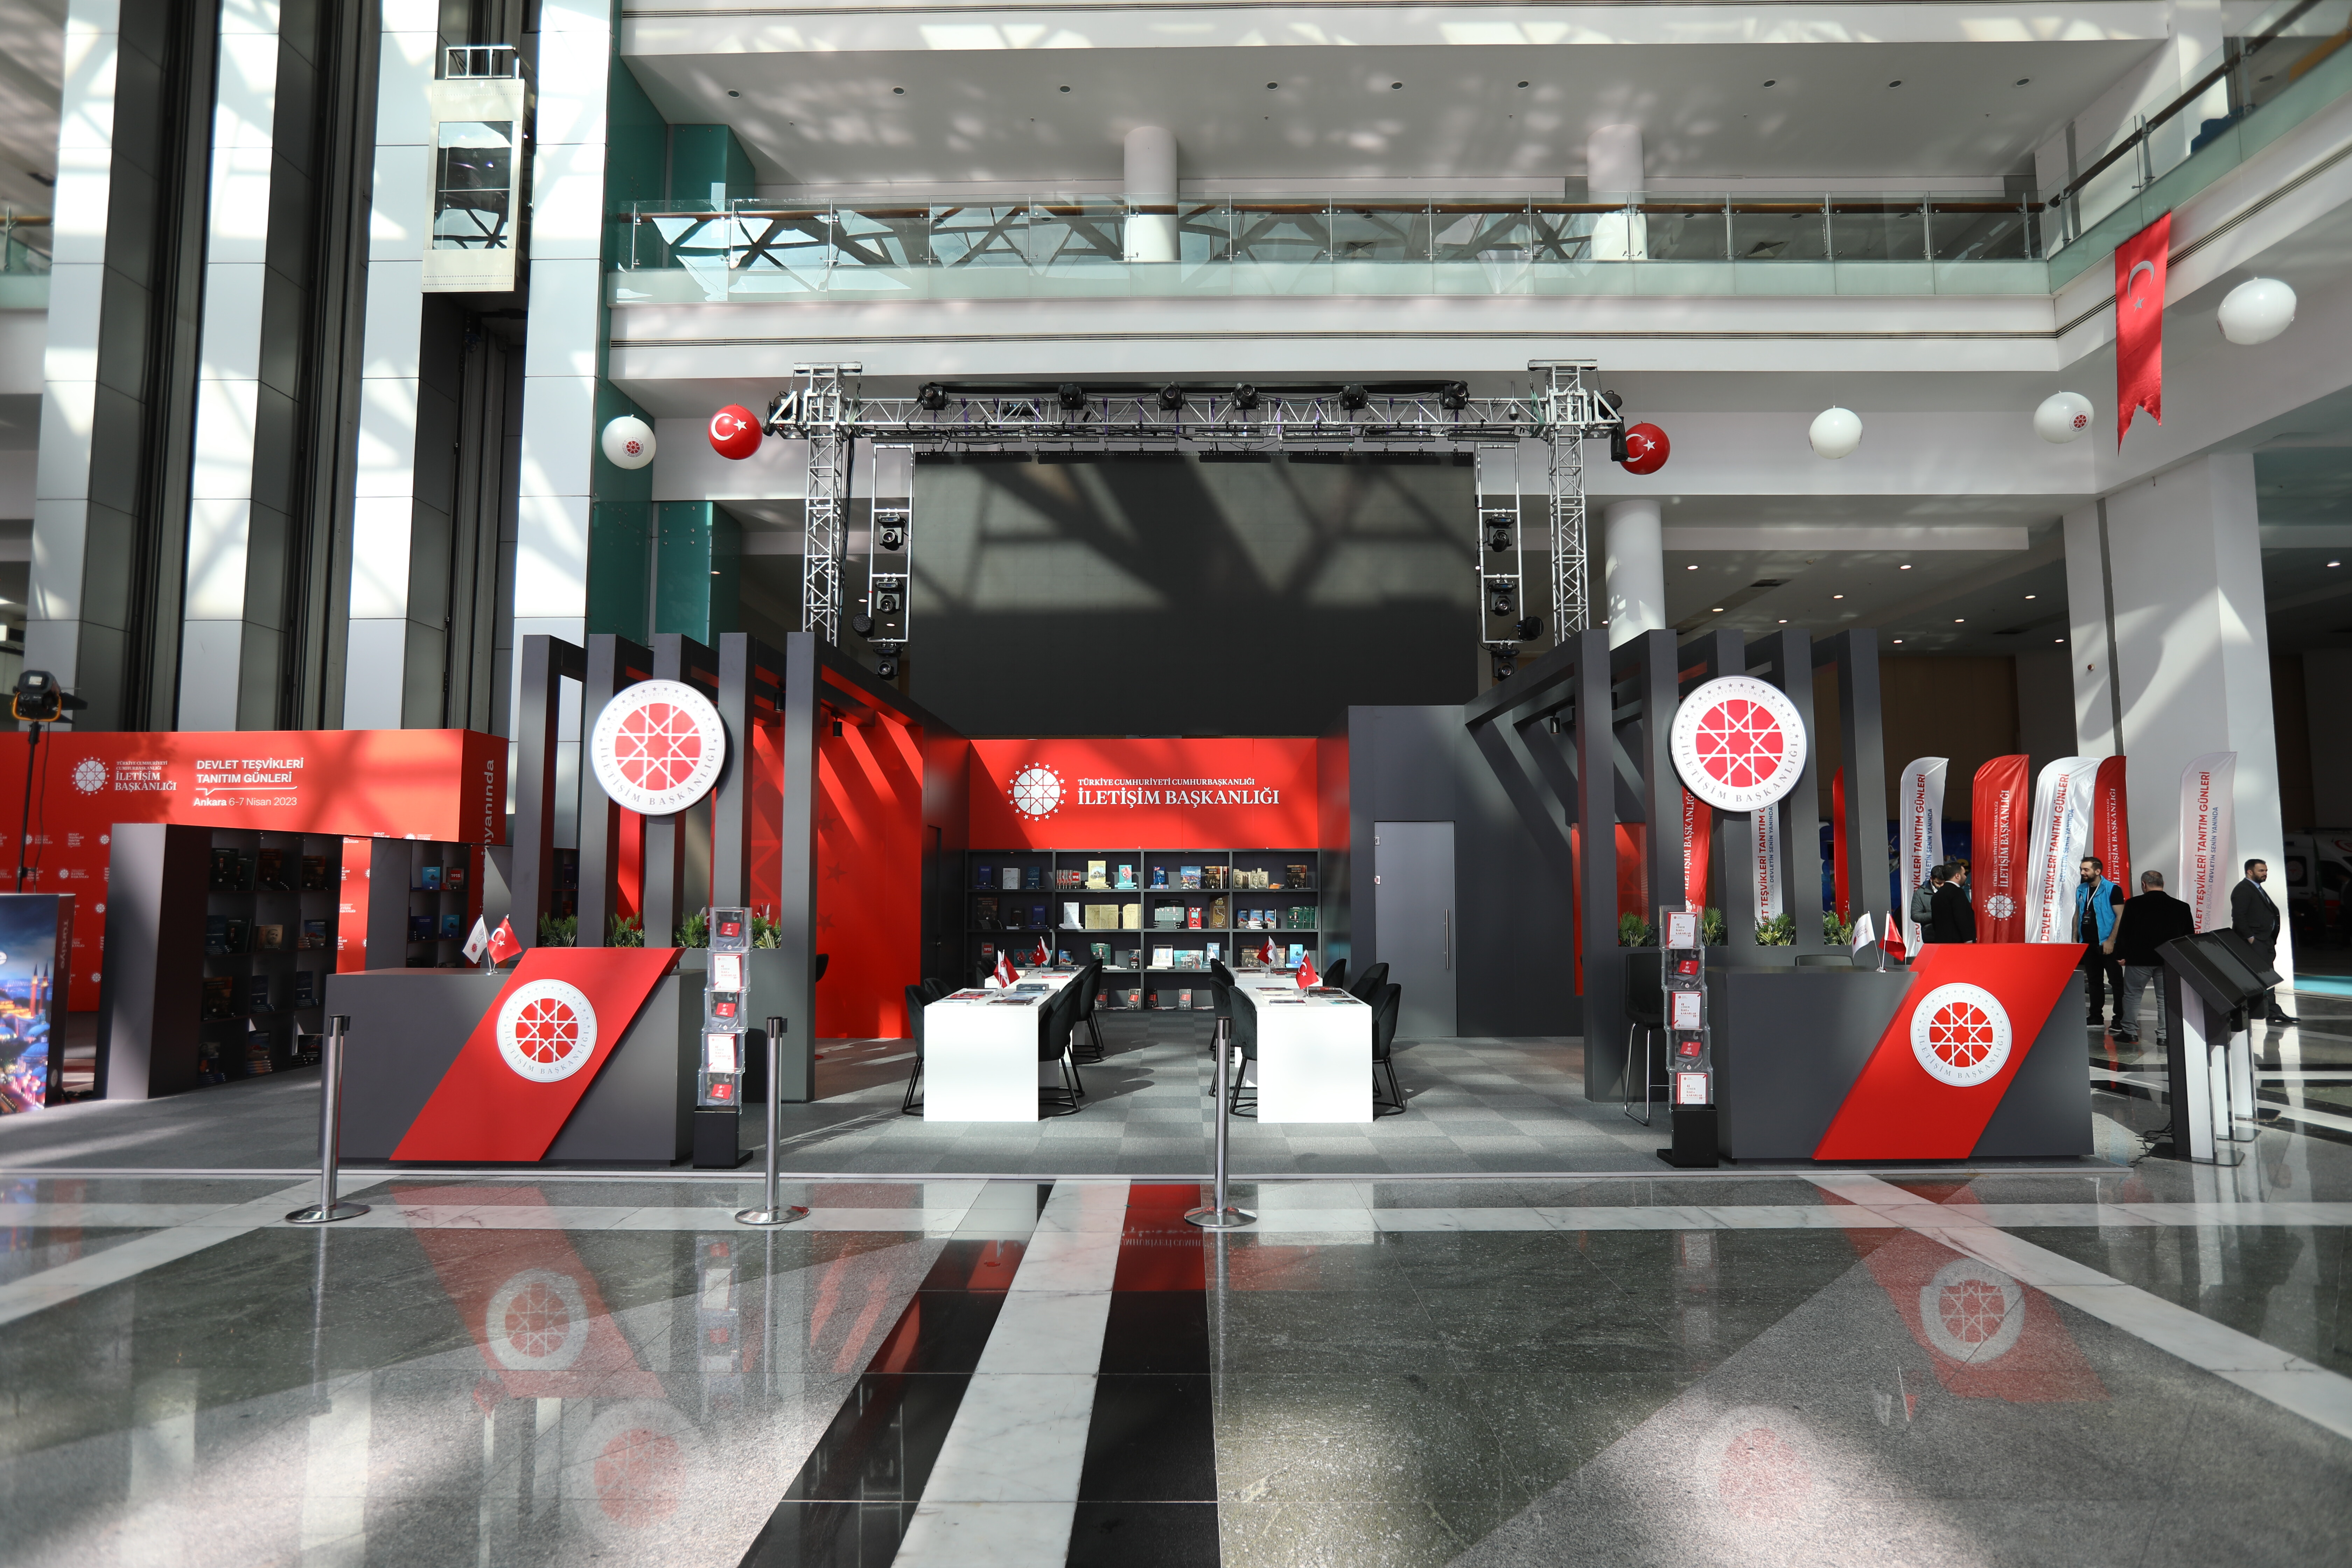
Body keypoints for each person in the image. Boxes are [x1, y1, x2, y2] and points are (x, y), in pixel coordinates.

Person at [2112, 870, 2194, 1044]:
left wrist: (2120, 955)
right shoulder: (2182, 907)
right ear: (2163, 884)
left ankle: (2129, 1032)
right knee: (2166, 998)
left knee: (2133, 996)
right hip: (2169, 960)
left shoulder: (2133, 904)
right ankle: (2164, 1035)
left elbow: (2124, 932)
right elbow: (2188, 937)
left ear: (2144, 884)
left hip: (2139, 959)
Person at [2231, 858, 2296, 1026]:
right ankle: (2267, 1010)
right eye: (2261, 871)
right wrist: (2251, 938)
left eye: (2266, 871)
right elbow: (2238, 916)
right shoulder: (2243, 889)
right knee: (2263, 976)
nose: (2265, 874)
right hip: (2256, 941)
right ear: (2250, 872)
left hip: (2265, 940)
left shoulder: (2256, 889)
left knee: (2267, 976)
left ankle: (2270, 1011)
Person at [2074, 856, 2125, 1026]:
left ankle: (2120, 1018)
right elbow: (2078, 914)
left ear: (2097, 871)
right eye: (2081, 869)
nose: (2082, 873)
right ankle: (2096, 1016)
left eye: (2086, 870)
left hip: (2107, 943)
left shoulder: (2112, 889)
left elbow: (2121, 916)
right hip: (2088, 943)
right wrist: (2075, 939)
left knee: (2116, 982)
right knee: (2094, 981)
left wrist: (2111, 941)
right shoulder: (2081, 889)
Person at [1928, 863, 1976, 944]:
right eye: (1964, 874)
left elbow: (1935, 921)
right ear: (1957, 876)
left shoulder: (1937, 895)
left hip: (1941, 942)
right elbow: (1962, 918)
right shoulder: (1957, 893)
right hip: (1957, 943)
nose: (1965, 877)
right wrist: (1968, 940)